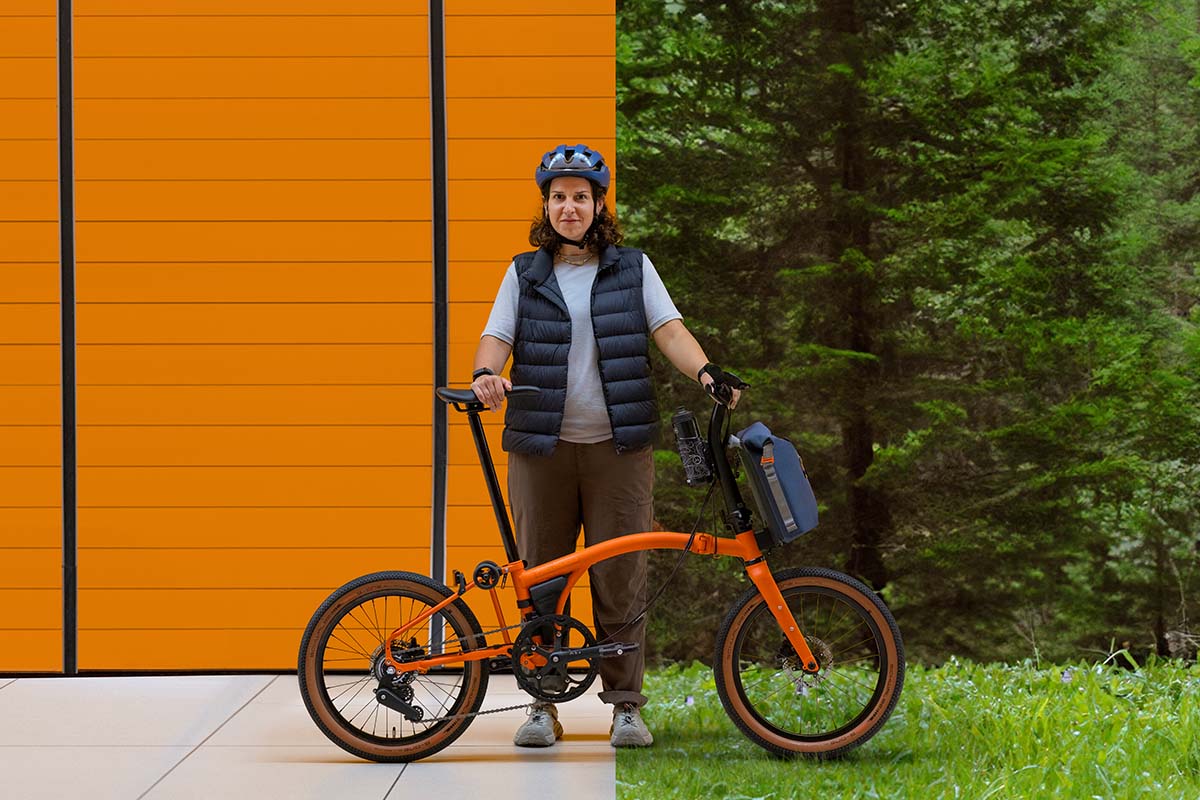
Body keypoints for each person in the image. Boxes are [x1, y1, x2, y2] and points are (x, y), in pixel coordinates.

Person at [470, 143, 742, 749]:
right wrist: (486, 374)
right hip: (542, 446)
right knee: (542, 576)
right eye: (559, 197)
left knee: (621, 574)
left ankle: (624, 706)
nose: (570, 207)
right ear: (547, 205)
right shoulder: (524, 272)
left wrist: (706, 374)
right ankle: (543, 704)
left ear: (599, 205)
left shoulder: (633, 269)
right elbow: (495, 337)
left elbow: (668, 329)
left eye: (581, 197)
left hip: (619, 448)